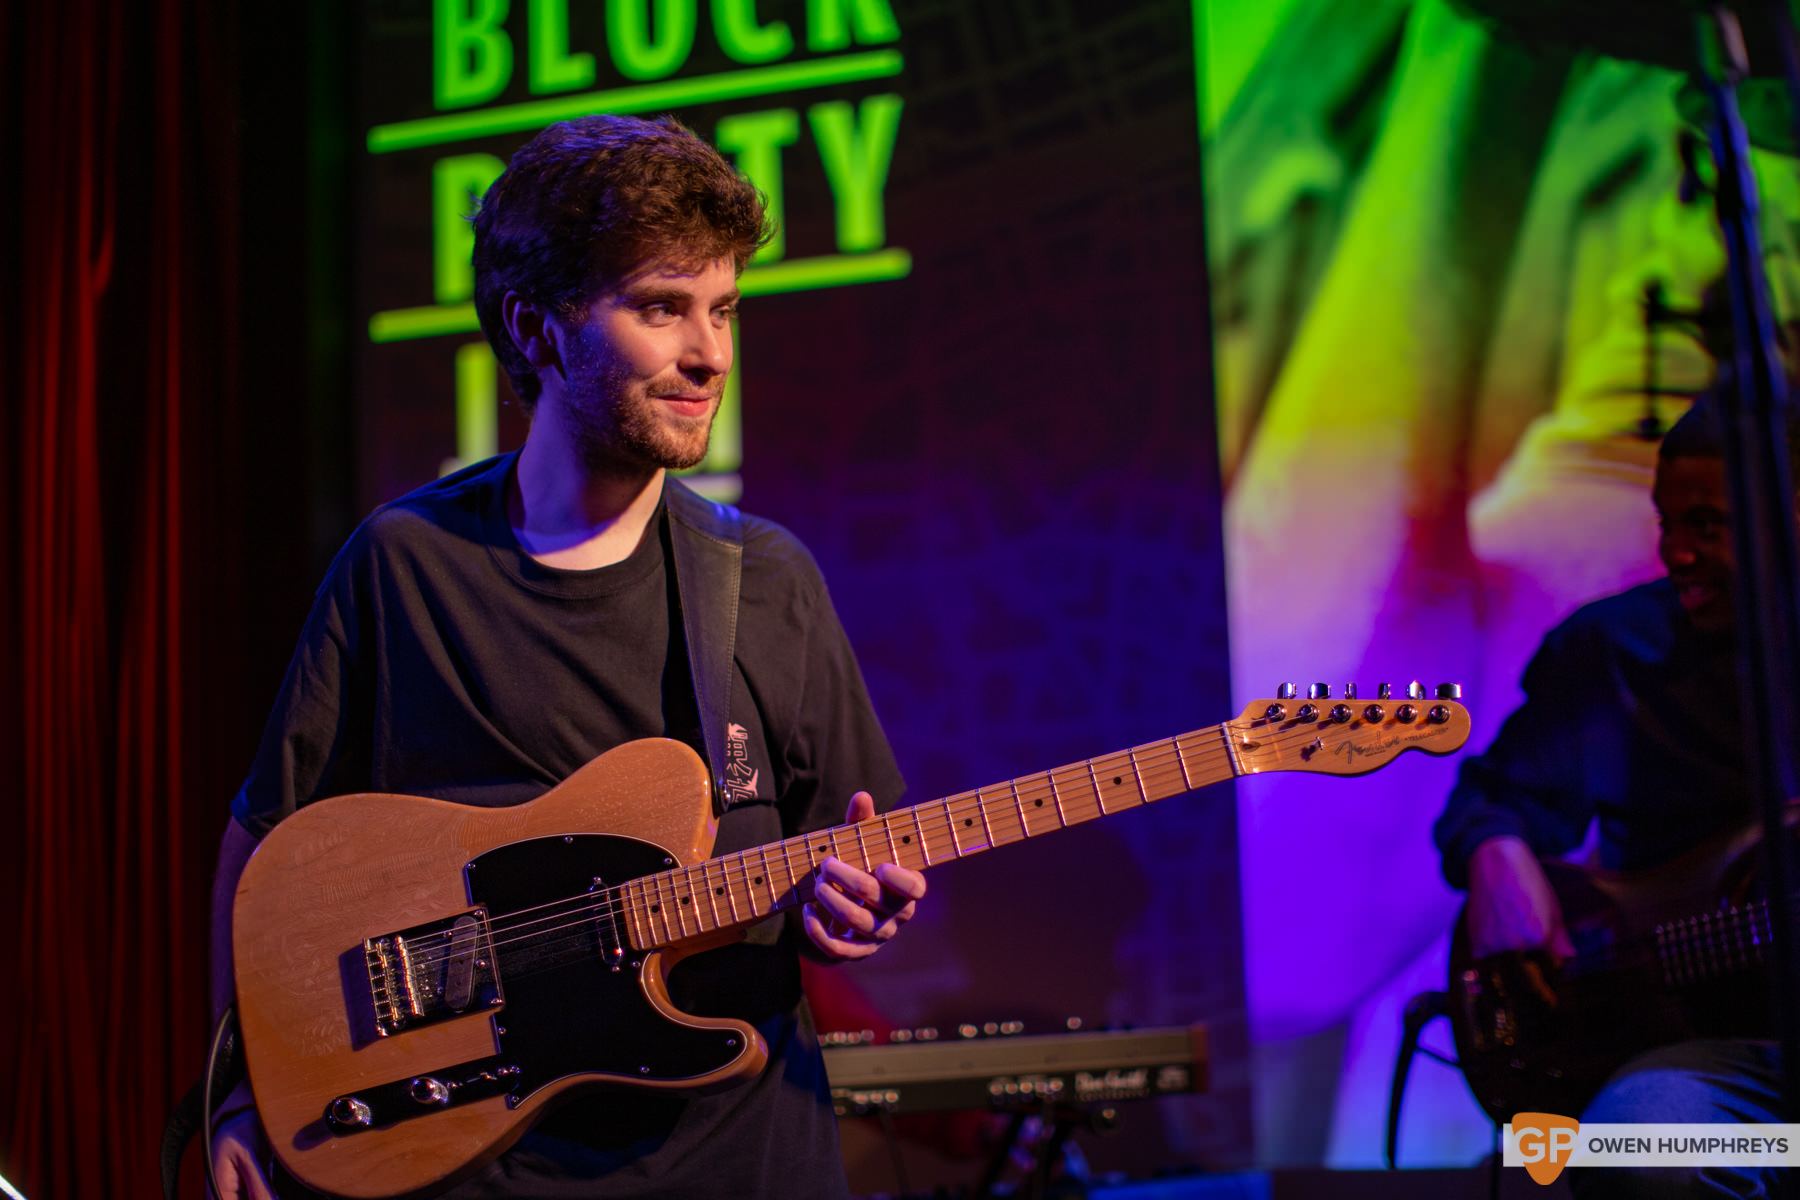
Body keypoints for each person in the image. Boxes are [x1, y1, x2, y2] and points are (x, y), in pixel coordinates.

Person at [206, 114, 927, 1200]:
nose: (710, 354)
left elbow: (846, 854)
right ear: (535, 330)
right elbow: (264, 850)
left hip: (739, 1162)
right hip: (471, 1167)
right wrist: (236, 1092)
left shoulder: (767, 580)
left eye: (723, 310)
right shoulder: (405, 564)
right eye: (662, 308)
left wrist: (850, 906)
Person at [1435, 395, 1800, 1197]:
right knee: (1628, 1147)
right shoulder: (1615, 650)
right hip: (1721, 1062)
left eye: (1707, 526)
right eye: (1666, 523)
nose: (1675, 552)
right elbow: (1491, 800)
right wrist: (1496, 854)